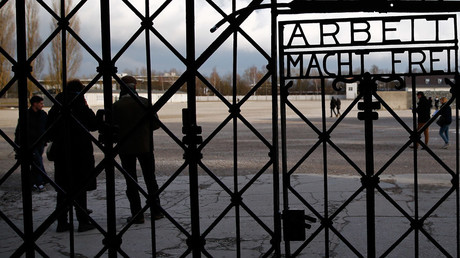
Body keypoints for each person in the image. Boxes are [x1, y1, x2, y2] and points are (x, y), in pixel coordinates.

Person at [47, 79, 98, 232]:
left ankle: (62, 222)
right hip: (80, 152)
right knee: (80, 189)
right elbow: (93, 125)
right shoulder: (80, 105)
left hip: (62, 152)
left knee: (62, 190)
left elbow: (49, 128)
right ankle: (82, 221)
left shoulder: (57, 106)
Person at [113, 75, 163, 224]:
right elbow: (156, 124)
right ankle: (156, 211)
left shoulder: (117, 106)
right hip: (145, 146)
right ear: (135, 86)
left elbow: (112, 129)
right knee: (150, 179)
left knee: (131, 181)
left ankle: (137, 213)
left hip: (126, 148)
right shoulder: (145, 103)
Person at [15, 96, 48, 191]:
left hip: (40, 143)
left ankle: (32, 182)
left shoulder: (42, 114)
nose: (43, 105)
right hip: (30, 143)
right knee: (37, 162)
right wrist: (17, 144)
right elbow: (19, 130)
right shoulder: (26, 115)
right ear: (35, 104)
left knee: (35, 163)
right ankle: (39, 183)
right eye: (41, 103)